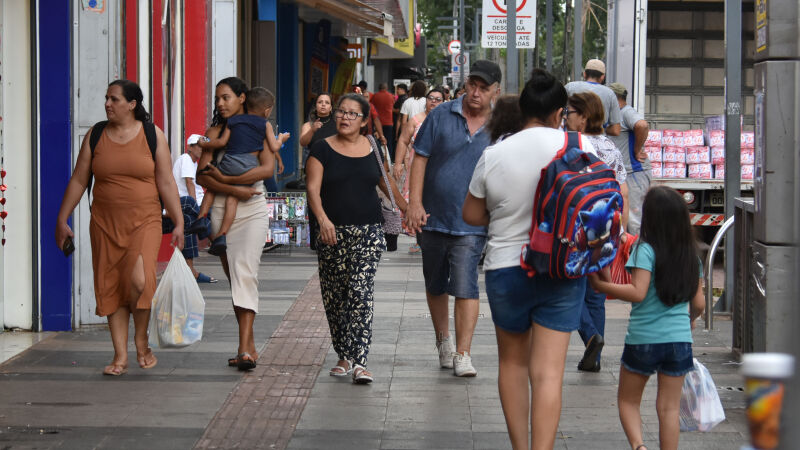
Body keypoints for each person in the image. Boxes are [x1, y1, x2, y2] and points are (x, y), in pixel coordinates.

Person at [463, 69, 596, 449]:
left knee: (513, 363)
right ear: (560, 112)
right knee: (549, 373)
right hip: (562, 267)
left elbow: (470, 215)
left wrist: (506, 214)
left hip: (507, 267)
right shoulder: (583, 147)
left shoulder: (496, 153)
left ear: (522, 110)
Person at [55, 80, 184, 376]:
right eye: (106, 98)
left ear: (132, 104)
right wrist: (63, 218)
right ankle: (120, 356)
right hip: (104, 222)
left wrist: (178, 221)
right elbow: (78, 179)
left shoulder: (153, 135)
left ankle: (141, 340)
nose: (107, 104)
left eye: (114, 99)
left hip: (145, 220)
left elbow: (165, 181)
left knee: (140, 280)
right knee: (111, 282)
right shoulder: (96, 134)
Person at [588, 186, 705, 450]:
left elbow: (637, 292)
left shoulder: (646, 250)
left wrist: (602, 286)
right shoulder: (691, 256)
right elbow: (699, 304)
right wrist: (689, 320)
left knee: (628, 401)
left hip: (644, 340)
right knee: (669, 409)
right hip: (679, 342)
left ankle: (639, 447)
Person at [405, 60, 501, 377]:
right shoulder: (441, 115)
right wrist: (414, 204)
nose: (475, 92)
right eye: (472, 84)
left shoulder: (500, 125)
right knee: (435, 284)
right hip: (432, 216)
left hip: (472, 223)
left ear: (495, 93)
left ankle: (463, 353)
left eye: (483, 88)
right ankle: (443, 340)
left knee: (466, 284)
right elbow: (420, 158)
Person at [306, 93, 407, 384]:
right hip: (332, 234)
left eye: (352, 114)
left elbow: (386, 185)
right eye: (341, 112)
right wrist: (323, 221)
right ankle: (343, 354)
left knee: (360, 294)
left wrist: (410, 211)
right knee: (336, 298)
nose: (345, 117)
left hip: (369, 232)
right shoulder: (321, 149)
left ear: (364, 121)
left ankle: (360, 361)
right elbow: (313, 190)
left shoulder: (372, 147)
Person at [196, 77, 276, 371]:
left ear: (242, 98)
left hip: (253, 206)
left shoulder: (257, 126)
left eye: (226, 97)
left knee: (246, 274)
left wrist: (227, 181)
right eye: (217, 99)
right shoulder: (215, 132)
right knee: (237, 279)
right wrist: (233, 189)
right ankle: (249, 345)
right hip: (222, 209)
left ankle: (244, 348)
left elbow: (267, 168)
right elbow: (202, 175)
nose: (220, 103)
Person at [564, 91, 629, 373]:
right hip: (605, 226)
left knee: (568, 288)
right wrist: (621, 229)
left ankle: (591, 336)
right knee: (596, 294)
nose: (566, 117)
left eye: (570, 113)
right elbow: (622, 191)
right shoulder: (610, 148)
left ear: (583, 117)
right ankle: (596, 357)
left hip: (576, 227)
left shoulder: (570, 146)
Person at [196, 87, 289, 256]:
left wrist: (203, 144)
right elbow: (274, 146)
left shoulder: (235, 121)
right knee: (232, 198)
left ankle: (201, 217)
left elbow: (221, 142)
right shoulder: (264, 124)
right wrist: (281, 138)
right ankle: (222, 235)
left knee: (212, 187)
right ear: (267, 111)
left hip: (228, 162)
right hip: (247, 167)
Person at [393, 88, 445, 254]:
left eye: (438, 99)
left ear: (444, 102)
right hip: (417, 170)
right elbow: (403, 140)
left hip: (440, 171)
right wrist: (398, 163)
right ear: (426, 100)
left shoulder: (447, 120)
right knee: (415, 202)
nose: (434, 102)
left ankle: (435, 236)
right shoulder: (415, 120)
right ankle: (419, 238)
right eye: (431, 98)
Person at [172, 134, 216, 283]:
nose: (201, 150)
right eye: (199, 146)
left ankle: (191, 271)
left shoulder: (195, 164)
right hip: (181, 203)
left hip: (190, 207)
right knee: (195, 209)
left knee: (190, 223)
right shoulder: (185, 159)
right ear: (190, 147)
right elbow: (189, 183)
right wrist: (197, 206)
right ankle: (214, 239)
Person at [609, 82, 651, 235]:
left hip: (634, 174)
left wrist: (637, 149)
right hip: (625, 175)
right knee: (627, 220)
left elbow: (642, 125)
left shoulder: (626, 112)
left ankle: (639, 257)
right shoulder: (614, 115)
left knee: (635, 223)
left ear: (613, 98)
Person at [300, 93, 336, 250]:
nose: (323, 105)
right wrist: (312, 130)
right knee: (315, 201)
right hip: (314, 168)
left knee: (332, 201)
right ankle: (316, 239)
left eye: (326, 102)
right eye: (320, 102)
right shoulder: (308, 125)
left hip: (334, 167)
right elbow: (303, 142)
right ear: (316, 106)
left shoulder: (337, 123)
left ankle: (332, 235)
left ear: (331, 107)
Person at [565, 59, 622, 136]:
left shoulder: (570, 87)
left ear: (584, 74)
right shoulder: (609, 93)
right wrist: (600, 128)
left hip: (573, 139)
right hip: (597, 143)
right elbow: (616, 130)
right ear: (602, 77)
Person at [370, 83, 396, 160]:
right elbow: (393, 106)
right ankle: (389, 159)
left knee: (377, 142)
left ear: (379, 88)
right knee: (388, 142)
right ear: (386, 88)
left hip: (377, 122)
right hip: (388, 122)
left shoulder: (375, 96)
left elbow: (371, 107)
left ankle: (379, 158)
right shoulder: (391, 96)